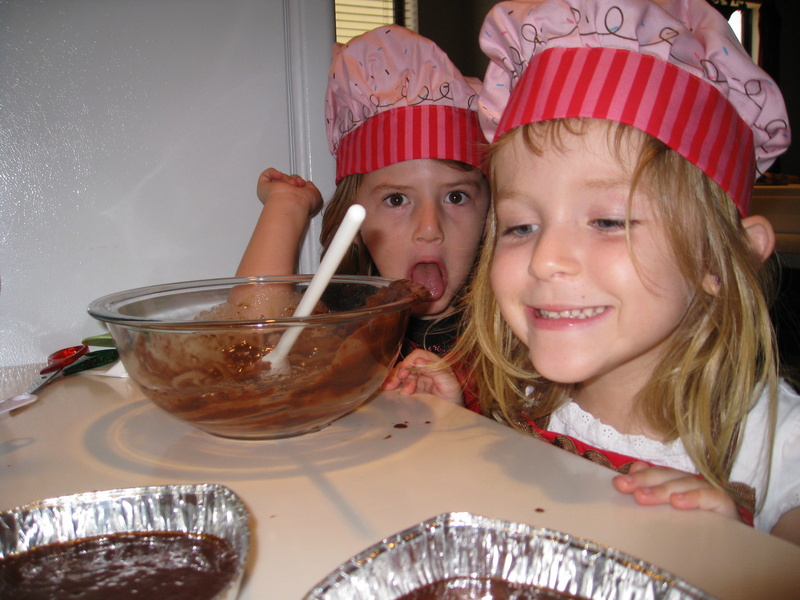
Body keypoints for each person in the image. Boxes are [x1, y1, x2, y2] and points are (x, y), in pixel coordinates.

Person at [384, 0, 800, 544]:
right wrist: (459, 426)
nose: (546, 259)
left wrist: (738, 557)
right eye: (520, 227)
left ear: (719, 259)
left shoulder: (775, 444)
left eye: (607, 220)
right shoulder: (526, 401)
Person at [237, 25, 490, 357]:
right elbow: (250, 341)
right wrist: (287, 206)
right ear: (351, 225)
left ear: (490, 216)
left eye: (455, 197)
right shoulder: (340, 317)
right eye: (396, 199)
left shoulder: (508, 327)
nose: (430, 228)